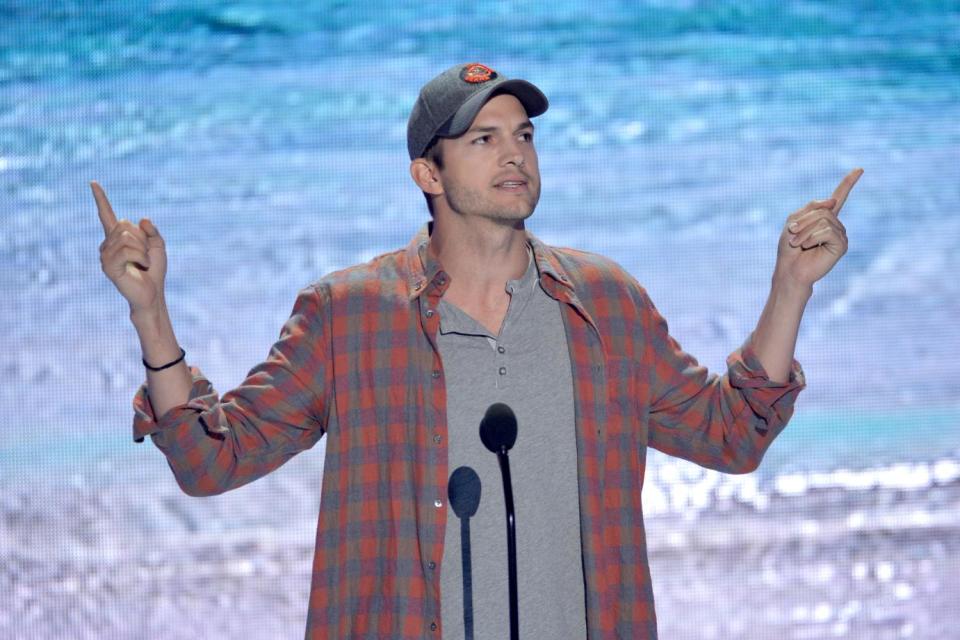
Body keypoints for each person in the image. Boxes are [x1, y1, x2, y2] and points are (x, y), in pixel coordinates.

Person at [94, 62, 861, 639]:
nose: (514, 155)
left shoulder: (606, 303)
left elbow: (730, 434)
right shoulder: (350, 314)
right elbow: (211, 461)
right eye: (483, 139)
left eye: (524, 136)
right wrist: (151, 313)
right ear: (428, 173)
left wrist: (791, 286)